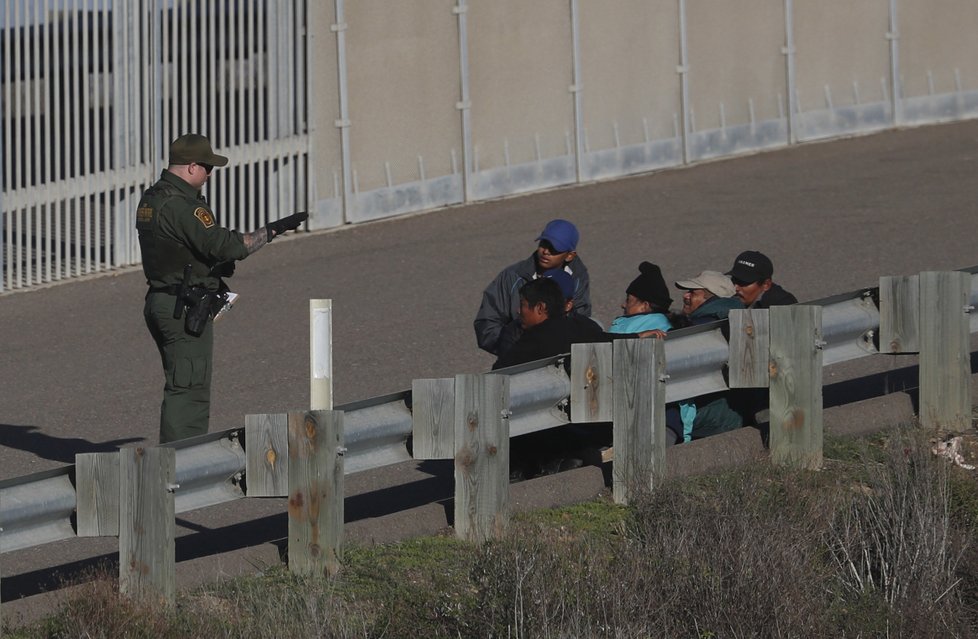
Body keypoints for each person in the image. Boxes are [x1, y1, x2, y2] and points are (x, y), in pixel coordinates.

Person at [137, 133, 307, 443]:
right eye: (207, 167)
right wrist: (271, 231)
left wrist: (207, 267)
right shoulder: (183, 206)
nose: (210, 174)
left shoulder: (152, 198)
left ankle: (176, 465)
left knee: (180, 383)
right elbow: (227, 246)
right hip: (183, 308)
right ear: (191, 167)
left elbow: (175, 249)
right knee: (188, 390)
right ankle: (181, 468)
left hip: (161, 301)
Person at [474, 219, 591, 356]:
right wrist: (514, 348)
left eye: (554, 249)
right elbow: (486, 324)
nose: (546, 251)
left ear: (570, 255)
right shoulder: (512, 276)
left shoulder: (577, 278)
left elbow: (581, 318)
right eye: (543, 244)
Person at [665, 270, 746, 444]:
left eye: (693, 293)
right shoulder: (741, 321)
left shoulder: (701, 330)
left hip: (711, 414)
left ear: (710, 298)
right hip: (734, 410)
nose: (686, 296)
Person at [491, 277, 604, 371]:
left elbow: (500, 373)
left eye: (522, 305)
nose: (518, 311)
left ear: (540, 307)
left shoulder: (535, 338)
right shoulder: (585, 327)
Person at [608, 262, 672, 334]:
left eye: (628, 300)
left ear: (645, 306)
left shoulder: (630, 329)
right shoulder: (670, 328)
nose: (623, 305)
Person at [726, 250, 797, 309]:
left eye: (743, 282)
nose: (735, 288)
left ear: (766, 285)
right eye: (734, 280)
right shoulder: (725, 297)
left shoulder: (784, 306)